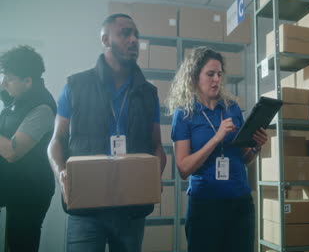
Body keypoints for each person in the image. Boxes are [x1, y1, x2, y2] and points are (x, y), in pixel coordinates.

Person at [47, 13, 166, 252]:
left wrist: (155, 174)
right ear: (105, 39)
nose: (134, 40)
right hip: (86, 208)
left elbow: (157, 147)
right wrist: (61, 174)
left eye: (136, 35)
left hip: (132, 208)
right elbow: (56, 142)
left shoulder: (148, 93)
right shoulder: (75, 86)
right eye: (125, 33)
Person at [167, 47, 268, 252]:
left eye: (219, 74)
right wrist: (216, 138)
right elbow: (184, 168)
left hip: (240, 202)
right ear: (195, 76)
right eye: (210, 74)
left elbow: (243, 159)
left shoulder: (232, 109)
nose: (216, 80)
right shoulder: (184, 114)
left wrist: (256, 147)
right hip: (205, 205)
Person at [0, 45, 56, 252]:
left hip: (31, 192)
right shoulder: (19, 95)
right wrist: (6, 80)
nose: (5, 83)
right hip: (14, 185)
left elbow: (12, 151)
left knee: (20, 244)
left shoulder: (42, 108)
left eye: (10, 78)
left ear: (28, 81)